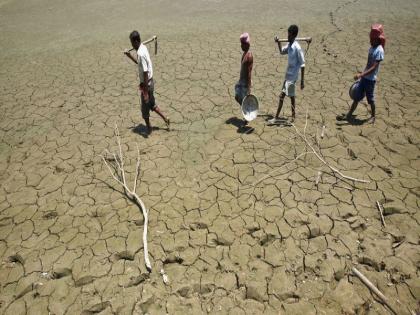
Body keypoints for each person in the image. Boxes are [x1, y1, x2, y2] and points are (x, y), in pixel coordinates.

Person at [337, 24, 385, 123]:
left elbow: (374, 67)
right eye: (371, 39)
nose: (371, 41)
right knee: (357, 97)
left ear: (378, 39)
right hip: (364, 78)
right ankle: (349, 115)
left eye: (373, 39)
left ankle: (373, 117)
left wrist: (361, 75)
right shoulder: (372, 48)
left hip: (370, 80)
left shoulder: (379, 50)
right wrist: (362, 74)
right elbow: (368, 65)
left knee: (370, 100)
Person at [124, 30, 169, 134]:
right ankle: (165, 118)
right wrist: (129, 56)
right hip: (150, 82)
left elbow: (145, 71)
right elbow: (139, 63)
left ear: (135, 42)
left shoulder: (141, 53)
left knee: (144, 110)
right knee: (152, 104)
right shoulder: (143, 47)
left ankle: (149, 130)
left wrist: (144, 92)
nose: (131, 45)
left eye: (131, 43)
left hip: (147, 84)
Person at [270, 25, 305, 123]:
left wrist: (302, 81)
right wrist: (278, 43)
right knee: (290, 97)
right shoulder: (289, 45)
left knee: (283, 96)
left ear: (294, 35)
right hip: (288, 75)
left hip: (293, 77)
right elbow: (281, 52)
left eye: (289, 35)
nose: (287, 37)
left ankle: (277, 118)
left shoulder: (297, 48)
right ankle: (292, 116)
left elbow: (303, 64)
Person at [234, 33, 253, 124]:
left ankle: (247, 117)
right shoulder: (244, 54)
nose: (241, 46)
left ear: (247, 45)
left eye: (243, 44)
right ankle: (247, 111)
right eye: (241, 44)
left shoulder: (249, 56)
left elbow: (249, 72)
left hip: (245, 83)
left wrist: (249, 87)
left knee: (243, 99)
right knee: (237, 97)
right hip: (241, 81)